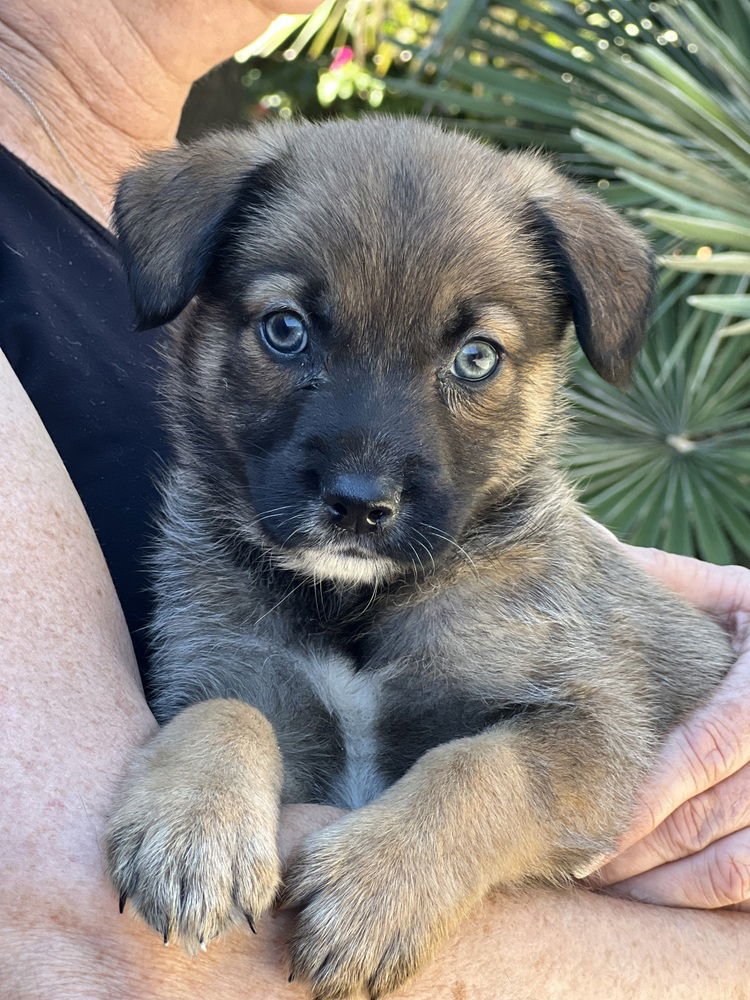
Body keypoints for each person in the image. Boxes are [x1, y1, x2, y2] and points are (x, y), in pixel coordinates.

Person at [0, 2, 747, 997]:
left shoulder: (516, 558)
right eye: (286, 335)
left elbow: (588, 735)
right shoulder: (211, 211)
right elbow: (104, 935)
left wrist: (453, 823)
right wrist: (217, 745)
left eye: (473, 358)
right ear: (195, 313)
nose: (363, 480)